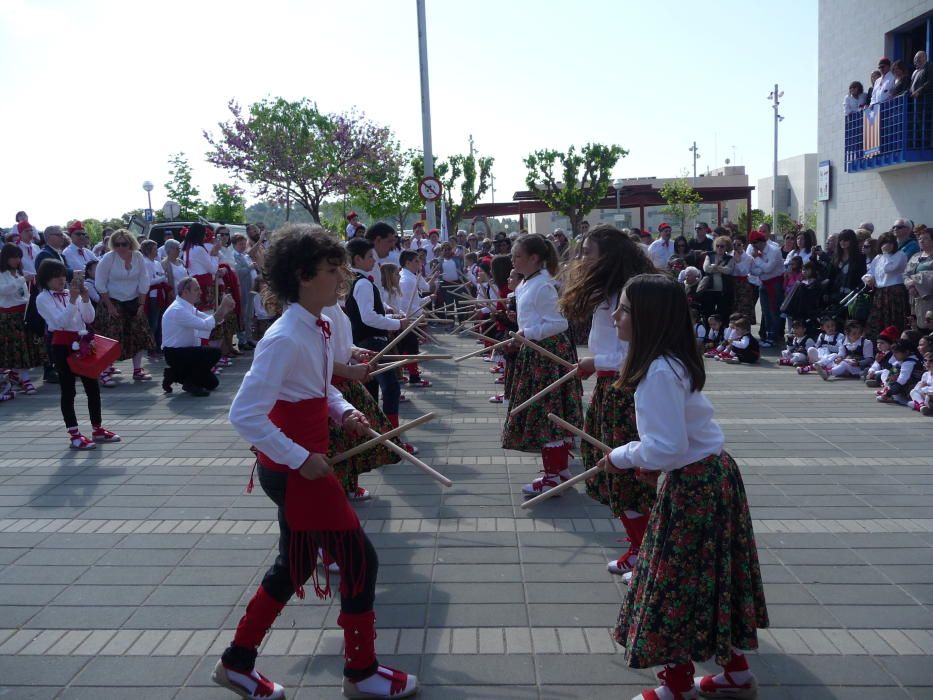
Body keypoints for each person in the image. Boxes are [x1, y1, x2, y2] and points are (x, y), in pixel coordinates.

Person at [218, 224, 418, 700]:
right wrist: (300, 456)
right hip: (294, 471)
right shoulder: (285, 336)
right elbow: (243, 413)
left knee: (295, 565)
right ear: (304, 276)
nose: (341, 278)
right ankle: (360, 672)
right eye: (332, 271)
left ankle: (237, 663)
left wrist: (345, 412)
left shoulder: (318, 324)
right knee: (360, 561)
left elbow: (319, 383)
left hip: (302, 462)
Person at [596, 273, 767, 700]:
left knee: (675, 583)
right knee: (711, 579)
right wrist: (651, 459)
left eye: (625, 309)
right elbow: (677, 443)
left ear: (648, 317)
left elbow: (665, 447)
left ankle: (676, 685)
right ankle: (736, 673)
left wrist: (621, 457)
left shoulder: (657, 371)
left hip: (693, 487)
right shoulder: (672, 359)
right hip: (711, 476)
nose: (615, 316)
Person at [560, 226, 657, 577]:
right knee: (612, 469)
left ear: (610, 255)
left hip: (624, 391)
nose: (582, 258)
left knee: (626, 474)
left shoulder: (628, 295)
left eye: (589, 251)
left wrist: (594, 362)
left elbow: (633, 354)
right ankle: (638, 546)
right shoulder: (610, 292)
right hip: (609, 388)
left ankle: (645, 552)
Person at [501, 234, 583, 496]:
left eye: (517, 256)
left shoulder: (543, 285)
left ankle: (553, 476)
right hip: (534, 353)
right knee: (546, 413)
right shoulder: (528, 283)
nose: (513, 261)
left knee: (548, 414)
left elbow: (560, 324)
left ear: (534, 258)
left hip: (546, 356)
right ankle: (558, 471)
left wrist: (527, 334)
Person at [35, 259, 120, 450]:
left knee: (92, 387)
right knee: (68, 390)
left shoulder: (67, 293)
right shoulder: (43, 298)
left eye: (63, 276)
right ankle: (74, 434)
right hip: (62, 345)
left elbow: (89, 318)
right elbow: (60, 322)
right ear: (46, 279)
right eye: (56, 277)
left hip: (82, 341)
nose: (61, 280)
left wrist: (85, 298)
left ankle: (97, 428)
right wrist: (73, 300)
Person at [344, 238, 415, 452]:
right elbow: (368, 316)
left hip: (364, 342)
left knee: (372, 390)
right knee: (391, 388)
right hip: (371, 342)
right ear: (357, 259)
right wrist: (397, 323)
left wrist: (389, 311)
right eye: (369, 257)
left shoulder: (357, 281)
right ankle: (391, 439)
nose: (373, 261)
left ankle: (374, 439)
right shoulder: (363, 283)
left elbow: (371, 308)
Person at [94, 229, 155, 385]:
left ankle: (137, 369)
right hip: (112, 301)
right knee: (111, 337)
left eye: (124, 244)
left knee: (139, 334)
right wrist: (109, 306)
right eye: (117, 244)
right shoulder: (109, 258)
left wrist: (141, 304)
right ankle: (104, 371)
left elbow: (144, 280)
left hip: (134, 300)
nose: (121, 247)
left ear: (131, 244)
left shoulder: (138, 257)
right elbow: (100, 284)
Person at [160, 277, 236, 396]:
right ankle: (190, 383)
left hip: (186, 352)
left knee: (212, 383)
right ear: (185, 292)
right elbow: (206, 325)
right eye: (196, 289)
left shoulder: (188, 307)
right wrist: (222, 307)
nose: (200, 292)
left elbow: (211, 320)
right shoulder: (178, 310)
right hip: (175, 354)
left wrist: (225, 310)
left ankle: (174, 374)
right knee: (214, 353)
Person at [0, 243, 44, 397]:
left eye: (19, 257)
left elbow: (23, 295)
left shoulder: (18, 274)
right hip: (8, 316)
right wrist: (22, 280)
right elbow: (3, 291)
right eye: (13, 257)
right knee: (17, 349)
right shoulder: (3, 274)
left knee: (24, 348)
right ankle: (24, 379)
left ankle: (18, 375)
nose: (17, 260)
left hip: (22, 315)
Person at [862, 231, 910, 339]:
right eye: (884, 243)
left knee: (894, 320)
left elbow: (889, 269)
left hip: (895, 291)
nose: (887, 245)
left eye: (890, 242)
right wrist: (868, 278)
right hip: (880, 293)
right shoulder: (878, 258)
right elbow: (870, 272)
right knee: (877, 320)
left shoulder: (900, 255)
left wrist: (886, 254)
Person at [749, 229, 785, 347]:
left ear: (760, 242)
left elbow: (769, 268)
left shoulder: (774, 251)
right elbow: (755, 270)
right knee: (765, 312)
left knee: (774, 310)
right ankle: (769, 335)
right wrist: (760, 266)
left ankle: (774, 336)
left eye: (754, 243)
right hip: (763, 283)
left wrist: (757, 259)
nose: (753, 246)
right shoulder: (758, 253)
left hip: (775, 284)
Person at [828, 229, 867, 314]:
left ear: (852, 241)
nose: (842, 242)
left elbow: (861, 277)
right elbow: (831, 276)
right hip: (836, 295)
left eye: (846, 239)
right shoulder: (835, 257)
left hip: (852, 296)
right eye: (841, 239)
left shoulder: (860, 258)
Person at [141, 239, 169, 355]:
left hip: (160, 294)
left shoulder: (157, 263)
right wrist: (162, 278)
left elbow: (163, 277)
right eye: (154, 249)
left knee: (160, 321)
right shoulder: (145, 263)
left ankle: (158, 345)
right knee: (153, 322)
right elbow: (149, 282)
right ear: (148, 250)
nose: (157, 251)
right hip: (152, 296)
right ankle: (151, 347)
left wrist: (163, 278)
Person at [700, 235, 734, 319]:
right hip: (709, 290)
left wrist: (714, 267)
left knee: (723, 313)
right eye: (717, 246)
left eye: (722, 246)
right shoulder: (709, 255)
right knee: (708, 313)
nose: (719, 248)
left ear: (727, 247)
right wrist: (720, 268)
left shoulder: (730, 258)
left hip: (723, 291)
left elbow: (729, 270)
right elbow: (706, 268)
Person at [905, 228, 933, 330]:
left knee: (928, 325)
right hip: (915, 298)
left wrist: (916, 280)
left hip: (930, 297)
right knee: (916, 326)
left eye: (925, 238)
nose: (921, 241)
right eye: (919, 238)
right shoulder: (915, 256)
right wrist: (910, 285)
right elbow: (905, 274)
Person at [730, 236, 757, 325]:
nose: (736, 247)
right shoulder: (729, 255)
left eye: (739, 244)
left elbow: (744, 271)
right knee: (732, 307)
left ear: (743, 245)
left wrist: (738, 261)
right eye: (734, 244)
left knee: (744, 309)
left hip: (743, 285)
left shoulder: (748, 258)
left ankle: (745, 330)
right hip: (731, 283)